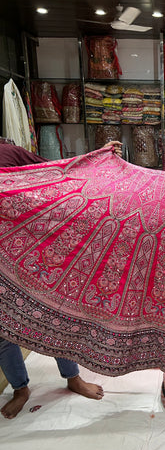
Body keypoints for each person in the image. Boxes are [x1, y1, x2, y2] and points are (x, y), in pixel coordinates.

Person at [0, 139, 122, 419]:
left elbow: (60, 172)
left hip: (32, 250)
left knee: (55, 314)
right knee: (3, 327)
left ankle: (72, 378)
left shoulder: (8, 152)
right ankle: (20, 389)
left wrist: (97, 156)